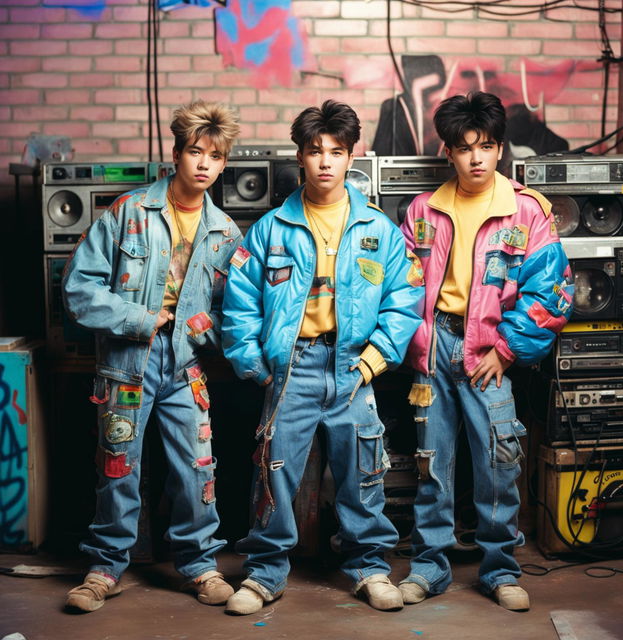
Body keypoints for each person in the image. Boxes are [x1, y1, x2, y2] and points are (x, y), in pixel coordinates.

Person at [221, 99, 424, 615]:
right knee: (275, 470)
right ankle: (265, 572)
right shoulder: (271, 229)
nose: (326, 162)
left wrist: (376, 359)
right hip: (293, 368)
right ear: (301, 157)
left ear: (351, 155)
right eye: (316, 152)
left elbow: (405, 300)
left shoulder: (377, 229)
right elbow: (239, 304)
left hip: (354, 368)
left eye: (337, 151)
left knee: (362, 470)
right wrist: (255, 363)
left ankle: (370, 567)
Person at [62, 100, 242, 612]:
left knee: (196, 468)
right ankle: (103, 569)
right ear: (176, 153)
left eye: (214, 156)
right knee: (118, 466)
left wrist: (201, 327)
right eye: (194, 152)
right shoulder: (128, 212)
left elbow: (236, 313)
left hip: (187, 366)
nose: (204, 163)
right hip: (126, 363)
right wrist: (142, 320)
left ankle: (200, 566)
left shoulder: (226, 234)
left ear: (225, 163)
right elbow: (78, 289)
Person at [398, 92, 573, 611]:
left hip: (489, 352)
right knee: (433, 465)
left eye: (487, 146)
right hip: (435, 348)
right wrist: (418, 343)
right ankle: (429, 568)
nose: (476, 158)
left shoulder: (527, 211)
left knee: (498, 464)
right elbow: (401, 285)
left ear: (500, 149)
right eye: (465, 147)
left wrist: (507, 349)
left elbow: (551, 290)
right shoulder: (423, 210)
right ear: (447, 152)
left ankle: (501, 570)